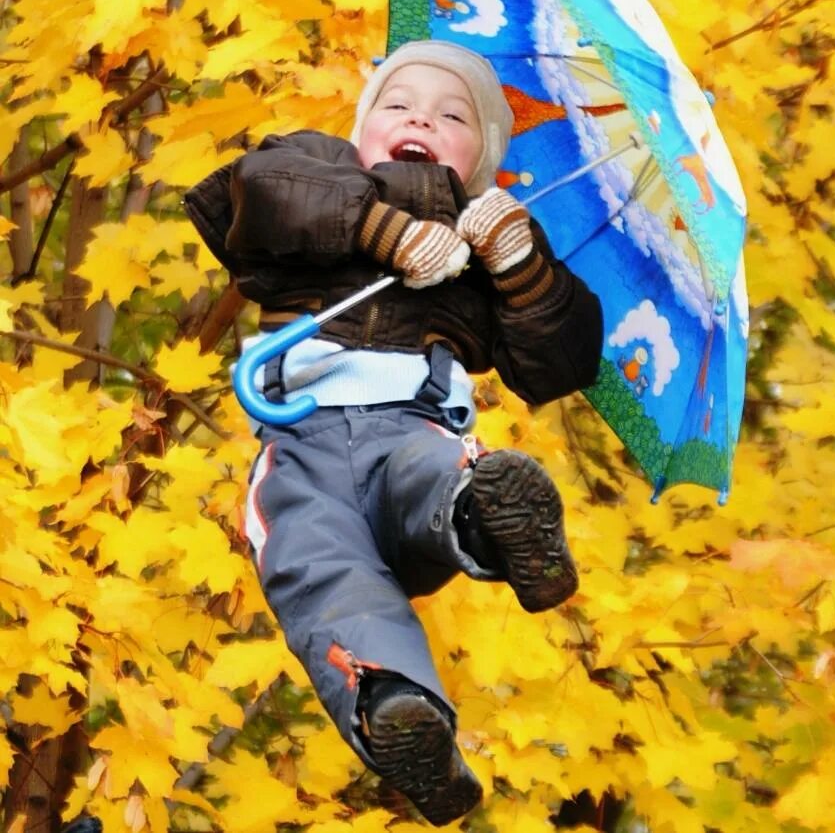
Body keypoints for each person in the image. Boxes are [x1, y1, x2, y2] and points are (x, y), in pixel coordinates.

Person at [183, 41, 603, 825]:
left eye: (453, 117)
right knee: (318, 569)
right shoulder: (318, 168)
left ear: (482, 159)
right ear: (363, 124)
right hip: (302, 452)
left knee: (433, 476)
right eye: (397, 103)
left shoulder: (486, 251)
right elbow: (261, 192)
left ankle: (492, 521)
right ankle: (400, 709)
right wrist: (382, 229)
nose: (420, 118)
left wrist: (519, 266)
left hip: (412, 432)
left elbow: (560, 362)